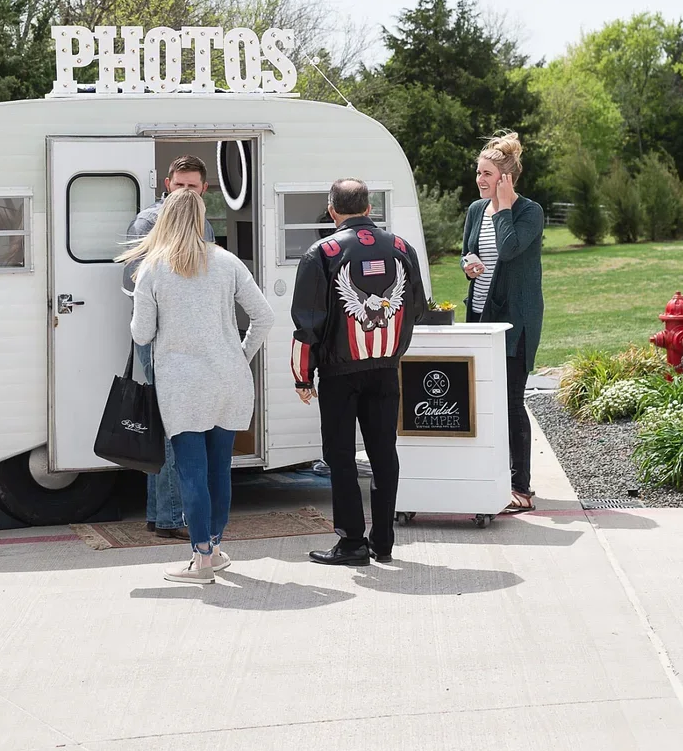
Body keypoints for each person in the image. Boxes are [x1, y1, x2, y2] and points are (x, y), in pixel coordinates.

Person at [123, 187, 274, 584]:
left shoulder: (153, 268)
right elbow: (264, 317)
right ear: (202, 218)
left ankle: (202, 559)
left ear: (166, 220)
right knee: (219, 469)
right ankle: (216, 549)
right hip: (229, 379)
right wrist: (241, 355)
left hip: (183, 385)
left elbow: (142, 334)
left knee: (191, 470)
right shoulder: (227, 262)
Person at [290, 178, 427, 565]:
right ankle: (383, 541)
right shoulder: (402, 248)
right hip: (386, 369)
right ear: (369, 209)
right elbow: (415, 307)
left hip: (339, 373)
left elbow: (307, 325)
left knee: (340, 456)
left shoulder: (322, 252)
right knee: (384, 452)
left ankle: (351, 542)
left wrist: (303, 376)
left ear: (332, 210)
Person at [123, 155, 216, 539]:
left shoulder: (205, 225)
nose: (185, 192)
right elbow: (136, 284)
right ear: (166, 184)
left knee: (168, 425)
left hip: (186, 339)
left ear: (204, 188)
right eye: (180, 185)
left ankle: (159, 513)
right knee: (178, 426)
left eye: (192, 186)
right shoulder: (149, 222)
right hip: (162, 338)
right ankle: (171, 517)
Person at [461, 131, 544, 512]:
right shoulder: (476, 211)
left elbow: (509, 249)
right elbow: (467, 254)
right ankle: (488, 477)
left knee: (511, 401)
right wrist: (469, 265)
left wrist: (506, 207)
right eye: (478, 172)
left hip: (515, 324)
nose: (480, 179)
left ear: (506, 178)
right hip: (479, 317)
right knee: (481, 401)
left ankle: (521, 489)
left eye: (488, 173)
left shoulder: (529, 212)